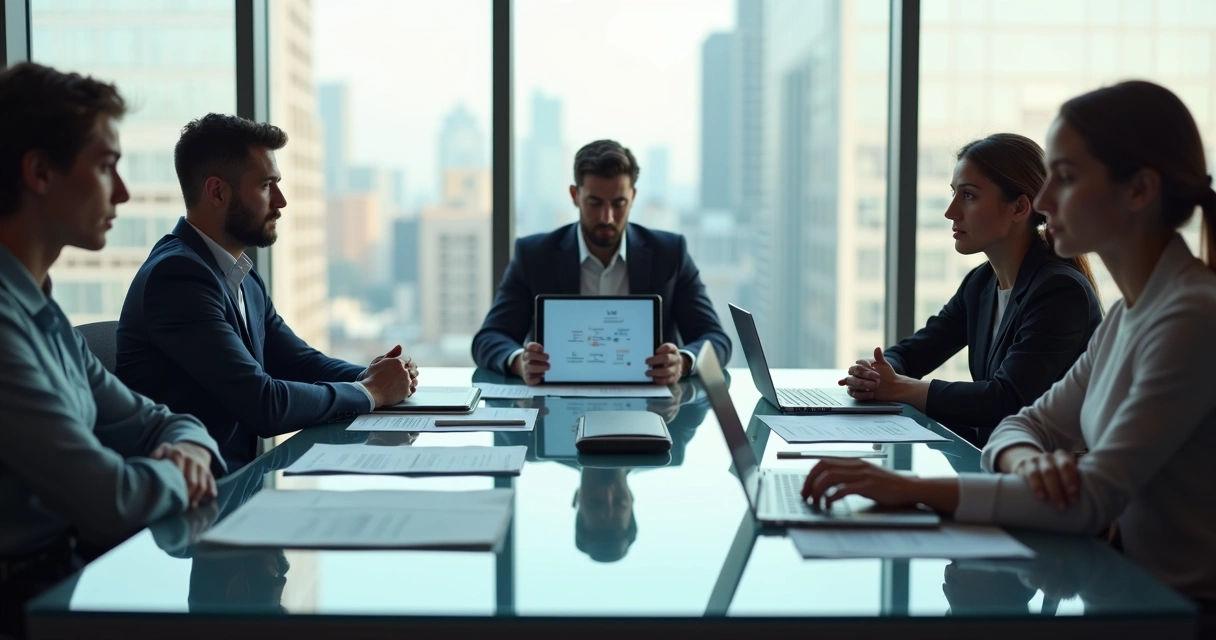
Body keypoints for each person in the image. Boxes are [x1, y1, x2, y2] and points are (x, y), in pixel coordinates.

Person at [803, 81, 1216, 613]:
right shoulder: (1127, 318)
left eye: (1065, 177)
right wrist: (1029, 464)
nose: (1042, 200)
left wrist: (909, 489)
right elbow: (1020, 425)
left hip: (1177, 614)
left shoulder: (1192, 318)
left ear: (1138, 191)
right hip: (1126, 601)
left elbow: (1090, 498)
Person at [0, 62, 223, 637]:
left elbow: (165, 423)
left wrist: (186, 450)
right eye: (105, 166)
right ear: (39, 172)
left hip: (66, 582)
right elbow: (110, 501)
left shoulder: (40, 311)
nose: (122, 192)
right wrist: (180, 471)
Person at [116, 114, 417, 470]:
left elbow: (298, 362)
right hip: (192, 491)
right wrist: (372, 391)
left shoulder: (238, 271)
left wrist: (375, 374)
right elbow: (263, 404)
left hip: (236, 483)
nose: (281, 200)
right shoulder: (178, 277)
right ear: (217, 192)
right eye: (265, 186)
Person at [840, 133, 1103, 446]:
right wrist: (876, 372)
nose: (950, 211)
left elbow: (1006, 399)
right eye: (954, 193)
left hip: (1052, 469)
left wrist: (897, 387)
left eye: (968, 195)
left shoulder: (1060, 291)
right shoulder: (981, 283)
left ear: (1019, 208)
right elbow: (916, 351)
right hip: (1000, 458)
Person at [472, 139, 731, 385]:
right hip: (556, 403)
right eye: (595, 203)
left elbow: (715, 339)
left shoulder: (670, 253)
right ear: (575, 195)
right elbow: (489, 338)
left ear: (633, 197)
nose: (607, 218)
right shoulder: (535, 255)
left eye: (619, 203)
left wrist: (683, 362)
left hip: (652, 406)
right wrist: (519, 362)